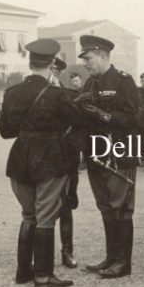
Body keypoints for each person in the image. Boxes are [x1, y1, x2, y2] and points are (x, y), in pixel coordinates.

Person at [0, 38, 84, 287]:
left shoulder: (11, 93)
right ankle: (44, 275)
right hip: (50, 158)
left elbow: (5, 131)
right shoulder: (56, 94)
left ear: (30, 63)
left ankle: (23, 270)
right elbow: (78, 120)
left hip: (20, 159)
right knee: (46, 215)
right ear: (50, 65)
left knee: (29, 215)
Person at [79, 35, 140, 279]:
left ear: (103, 56)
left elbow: (133, 119)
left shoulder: (123, 81)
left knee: (121, 207)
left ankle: (123, 263)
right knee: (105, 206)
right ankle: (111, 257)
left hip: (118, 152)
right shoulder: (90, 84)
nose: (85, 63)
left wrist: (102, 114)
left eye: (89, 58)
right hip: (97, 152)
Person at [51, 57, 83, 269]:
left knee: (65, 204)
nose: (51, 73)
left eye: (54, 69)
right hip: (43, 156)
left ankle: (66, 250)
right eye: (49, 68)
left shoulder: (68, 94)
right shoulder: (32, 91)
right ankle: (41, 252)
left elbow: (79, 124)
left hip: (65, 155)